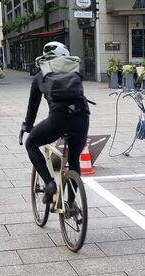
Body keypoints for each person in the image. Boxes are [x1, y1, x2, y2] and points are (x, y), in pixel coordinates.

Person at [22, 42, 91, 205]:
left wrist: (28, 125)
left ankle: (49, 183)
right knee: (74, 160)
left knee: (31, 143)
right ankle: (72, 203)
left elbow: (33, 105)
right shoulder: (74, 70)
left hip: (57, 119)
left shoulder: (41, 75)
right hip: (82, 117)